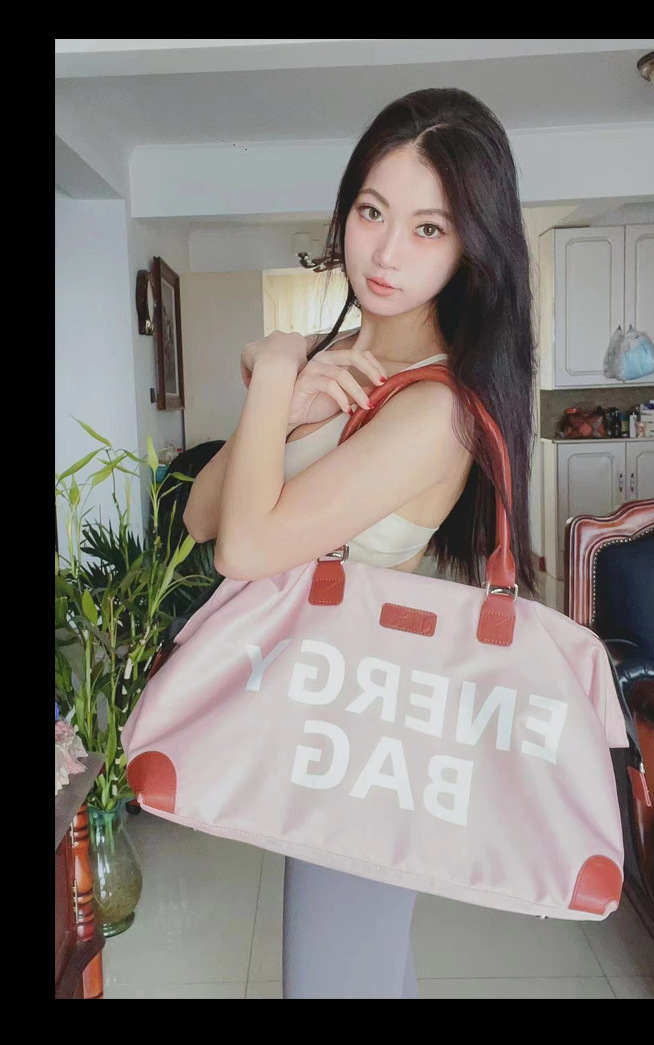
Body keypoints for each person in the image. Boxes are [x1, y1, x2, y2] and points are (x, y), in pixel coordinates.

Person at [183, 87, 538, 999]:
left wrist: (272, 368)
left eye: (429, 228)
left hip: (367, 742)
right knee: (363, 975)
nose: (385, 251)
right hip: (325, 723)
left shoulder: (436, 408)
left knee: (336, 980)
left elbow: (242, 551)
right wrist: (283, 389)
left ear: (471, 248)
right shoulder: (349, 367)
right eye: (373, 211)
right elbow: (203, 516)